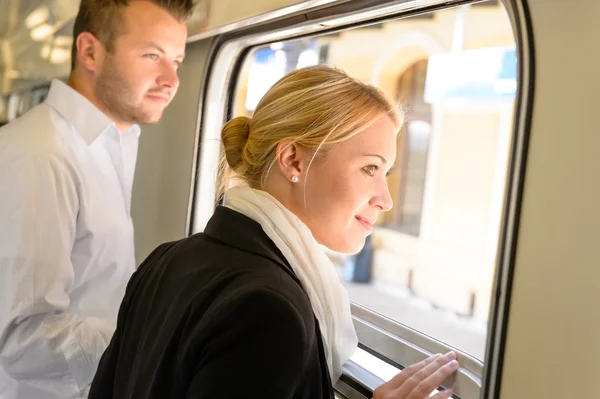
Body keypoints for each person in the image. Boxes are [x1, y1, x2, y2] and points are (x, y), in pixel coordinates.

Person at [89, 65, 459, 399]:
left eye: (386, 173)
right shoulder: (268, 310)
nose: (386, 199)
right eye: (369, 169)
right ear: (293, 160)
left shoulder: (167, 258)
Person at [0, 1, 193, 398]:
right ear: (89, 52)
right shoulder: (39, 154)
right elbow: (19, 339)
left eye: (177, 59)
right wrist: (154, 344)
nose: (171, 79)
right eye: (152, 55)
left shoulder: (113, 143)